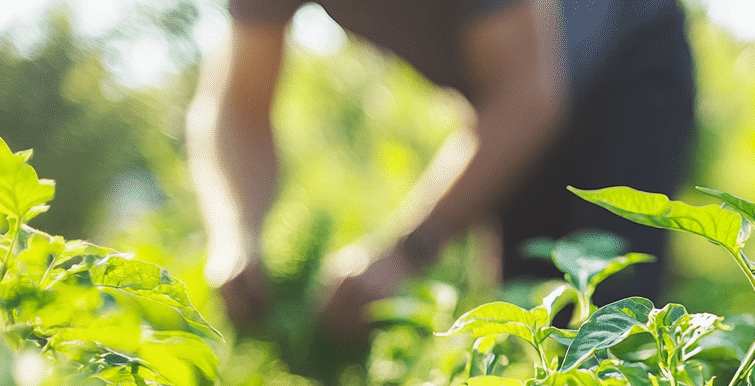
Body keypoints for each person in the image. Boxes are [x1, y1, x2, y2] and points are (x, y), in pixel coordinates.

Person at [188, 0, 696, 337]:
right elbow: (239, 107)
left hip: (627, 62)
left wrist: (405, 251)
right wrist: (236, 235)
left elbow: (527, 94)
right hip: (515, 90)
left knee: (611, 320)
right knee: (527, 324)